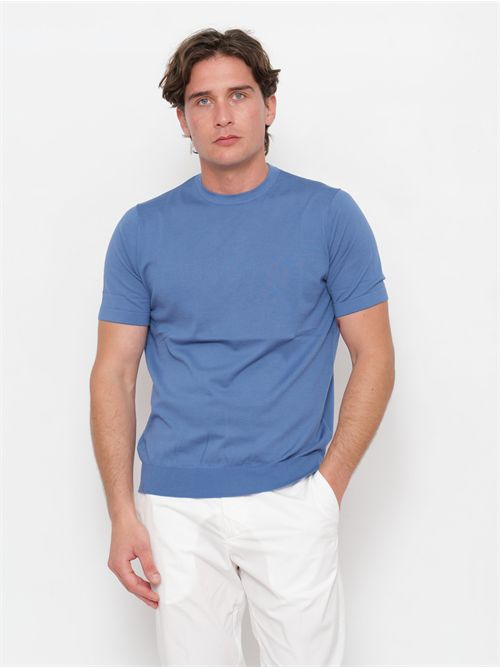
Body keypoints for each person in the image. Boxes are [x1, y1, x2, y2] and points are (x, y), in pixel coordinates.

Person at [89, 27, 395, 667]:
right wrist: (122, 512)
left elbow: (375, 356)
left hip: (292, 495)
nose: (222, 115)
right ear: (183, 119)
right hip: (176, 504)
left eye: (239, 94)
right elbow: (114, 373)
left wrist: (326, 488)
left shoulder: (329, 216)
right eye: (202, 100)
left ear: (269, 105)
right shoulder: (141, 230)